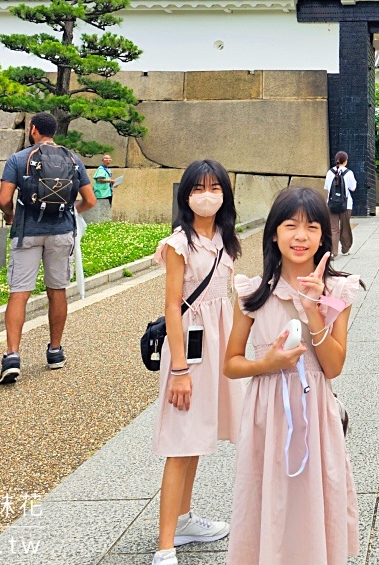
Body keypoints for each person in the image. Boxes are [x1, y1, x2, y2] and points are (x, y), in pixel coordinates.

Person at [224, 187, 361, 565]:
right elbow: (231, 363)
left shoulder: (337, 291)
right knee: (268, 499)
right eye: (290, 225)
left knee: (315, 497)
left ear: (323, 237)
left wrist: (314, 307)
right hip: (266, 414)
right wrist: (266, 365)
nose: (301, 236)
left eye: (312, 227)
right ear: (273, 233)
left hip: (315, 412)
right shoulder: (253, 292)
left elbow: (333, 367)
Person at [152, 160, 245, 565]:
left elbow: (229, 295)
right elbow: (173, 307)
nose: (206, 195)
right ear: (185, 195)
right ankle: (164, 546)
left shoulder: (226, 237)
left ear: (225, 193)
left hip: (218, 343)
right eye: (197, 188)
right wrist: (178, 371)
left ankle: (185, 520)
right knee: (180, 440)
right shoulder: (179, 244)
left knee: (197, 438)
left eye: (214, 187)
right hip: (189, 349)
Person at [0, 112, 97, 384]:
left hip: (27, 232)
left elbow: (4, 198)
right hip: (61, 232)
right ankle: (54, 351)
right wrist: (70, 211)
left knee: (19, 293)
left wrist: (9, 215)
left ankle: (13, 355)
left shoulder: (18, 159)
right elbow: (90, 200)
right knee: (57, 290)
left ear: (33, 130)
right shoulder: (72, 158)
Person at [324, 151, 357, 257]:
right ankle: (345, 249)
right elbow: (353, 188)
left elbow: (327, 188)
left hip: (331, 204)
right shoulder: (349, 173)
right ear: (345, 161)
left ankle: (333, 252)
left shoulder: (330, 172)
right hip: (345, 204)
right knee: (345, 226)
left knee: (334, 228)